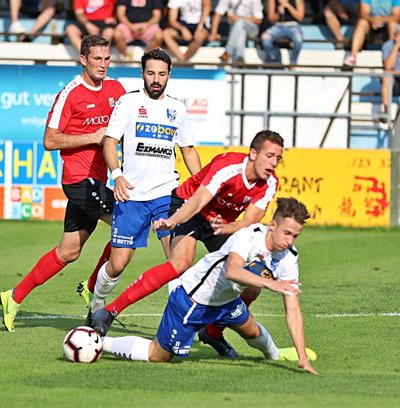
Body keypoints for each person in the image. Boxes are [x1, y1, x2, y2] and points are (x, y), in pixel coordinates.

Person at [90, 130, 284, 357]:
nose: (274, 163)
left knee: (252, 281)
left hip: (222, 224)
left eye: (278, 158)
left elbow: (249, 221)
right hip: (189, 207)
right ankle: (109, 312)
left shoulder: (270, 183)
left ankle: (213, 332)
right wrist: (172, 221)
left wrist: (224, 229)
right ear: (253, 153)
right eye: (269, 156)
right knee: (179, 264)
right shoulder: (229, 166)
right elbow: (199, 199)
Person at [100, 197, 319, 374]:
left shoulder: (289, 256)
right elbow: (231, 270)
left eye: (295, 236)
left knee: (252, 331)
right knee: (159, 355)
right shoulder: (249, 237)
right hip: (194, 298)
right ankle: (100, 342)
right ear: (272, 225)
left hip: (226, 301)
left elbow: (293, 310)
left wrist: (302, 358)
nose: (290, 241)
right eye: (287, 233)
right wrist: (272, 284)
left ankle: (275, 356)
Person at [0, 35, 126, 332]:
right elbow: (49, 140)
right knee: (127, 227)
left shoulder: (116, 89)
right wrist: (92, 137)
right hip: (79, 181)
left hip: (98, 180)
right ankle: (93, 287)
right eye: (97, 59)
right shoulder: (70, 94)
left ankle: (13, 297)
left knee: (68, 251)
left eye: (107, 59)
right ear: (83, 59)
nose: (103, 65)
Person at [79, 48, 202, 323]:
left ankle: (179, 321)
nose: (156, 79)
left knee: (177, 262)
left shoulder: (177, 109)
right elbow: (110, 142)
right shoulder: (128, 103)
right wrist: (117, 174)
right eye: (150, 73)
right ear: (142, 74)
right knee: (117, 264)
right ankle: (97, 303)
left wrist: (204, 188)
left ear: (169, 75)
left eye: (161, 74)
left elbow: (189, 151)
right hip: (131, 196)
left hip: (166, 195)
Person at [343, 0, 400, 67]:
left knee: (393, 25)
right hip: (370, 24)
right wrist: (374, 20)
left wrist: (381, 20)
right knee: (362, 22)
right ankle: (353, 56)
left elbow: (397, 16)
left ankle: (393, 56)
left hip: (387, 25)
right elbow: (363, 13)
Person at [261, 0, 305, 65]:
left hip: (293, 25)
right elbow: (271, 19)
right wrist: (279, 13)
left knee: (298, 39)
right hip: (278, 25)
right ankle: (276, 57)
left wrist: (288, 6)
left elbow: (300, 17)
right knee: (265, 37)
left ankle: (293, 62)